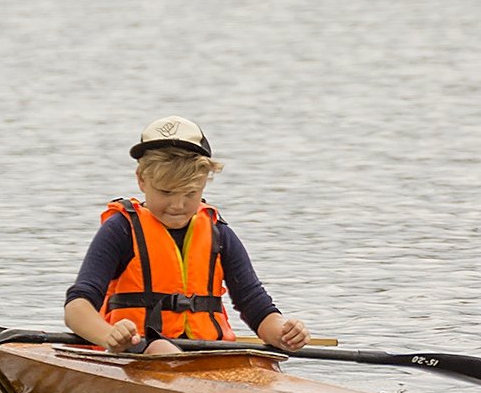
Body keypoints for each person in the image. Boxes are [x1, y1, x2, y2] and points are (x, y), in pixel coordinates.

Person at [64, 116, 310, 355]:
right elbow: (76, 308)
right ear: (141, 180)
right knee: (162, 348)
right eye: (166, 192)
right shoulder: (120, 229)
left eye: (190, 193)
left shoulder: (219, 232)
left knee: (253, 359)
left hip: (207, 353)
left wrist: (283, 333)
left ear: (204, 183)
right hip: (136, 350)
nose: (177, 205)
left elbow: (256, 306)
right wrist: (109, 335)